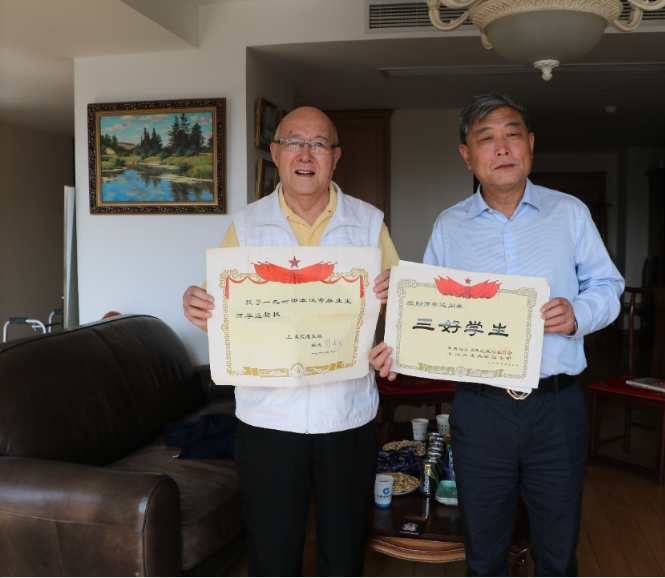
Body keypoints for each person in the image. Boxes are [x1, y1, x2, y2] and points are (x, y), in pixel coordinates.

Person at [370, 93, 624, 576]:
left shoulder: (569, 213)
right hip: (481, 409)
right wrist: (396, 348)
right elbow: (429, 308)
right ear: (467, 155)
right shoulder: (451, 225)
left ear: (531, 144)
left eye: (512, 134)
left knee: (557, 552)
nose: (502, 147)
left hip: (556, 407)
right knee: (484, 552)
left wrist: (578, 314)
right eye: (486, 138)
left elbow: (608, 285)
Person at [183, 107, 399, 577]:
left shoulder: (368, 223)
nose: (306, 154)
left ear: (335, 157)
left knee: (344, 550)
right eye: (294, 142)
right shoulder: (246, 225)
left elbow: (401, 307)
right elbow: (218, 306)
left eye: (318, 144)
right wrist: (196, 303)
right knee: (272, 551)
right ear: (276, 153)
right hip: (268, 417)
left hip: (347, 415)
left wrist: (394, 341)